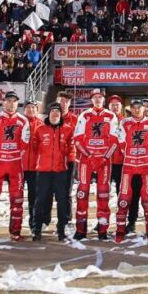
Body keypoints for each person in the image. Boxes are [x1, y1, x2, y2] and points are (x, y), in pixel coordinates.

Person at [0, 92, 30, 242]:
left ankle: (15, 232)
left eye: (14, 101)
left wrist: (14, 156)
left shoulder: (23, 121)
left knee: (17, 201)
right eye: (8, 101)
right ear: (3, 103)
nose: (11, 104)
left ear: (17, 104)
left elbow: (24, 144)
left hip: (15, 164)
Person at [73, 89, 119, 240]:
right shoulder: (84, 115)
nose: (98, 100)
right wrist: (89, 155)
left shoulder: (110, 116)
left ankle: (102, 229)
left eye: (100, 97)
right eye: (95, 97)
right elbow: (78, 139)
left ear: (104, 99)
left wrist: (104, 157)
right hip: (87, 160)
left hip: (104, 161)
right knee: (82, 193)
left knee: (103, 194)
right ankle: (80, 229)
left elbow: (114, 141)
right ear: (91, 100)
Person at [114, 99, 148, 242]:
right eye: (134, 108)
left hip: (146, 167)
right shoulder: (125, 123)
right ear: (131, 109)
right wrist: (130, 156)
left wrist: (147, 158)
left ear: (144, 109)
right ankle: (120, 231)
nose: (136, 110)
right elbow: (121, 143)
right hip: (128, 167)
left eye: (139, 107)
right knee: (124, 198)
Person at [30, 102, 76, 241]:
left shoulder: (68, 129)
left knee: (62, 201)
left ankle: (61, 230)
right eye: (52, 112)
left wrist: (69, 167)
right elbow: (34, 147)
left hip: (60, 171)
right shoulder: (40, 129)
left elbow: (71, 149)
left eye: (57, 112)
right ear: (48, 114)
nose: (55, 114)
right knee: (41, 200)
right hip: (43, 172)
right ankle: (36, 229)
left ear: (60, 115)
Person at [21, 100, 42, 233]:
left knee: (34, 197)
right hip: (19, 166)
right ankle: (15, 227)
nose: (31, 110)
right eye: (28, 108)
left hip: (35, 168)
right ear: (24, 110)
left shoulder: (41, 125)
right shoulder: (19, 123)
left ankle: (34, 225)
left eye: (33, 108)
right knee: (16, 197)